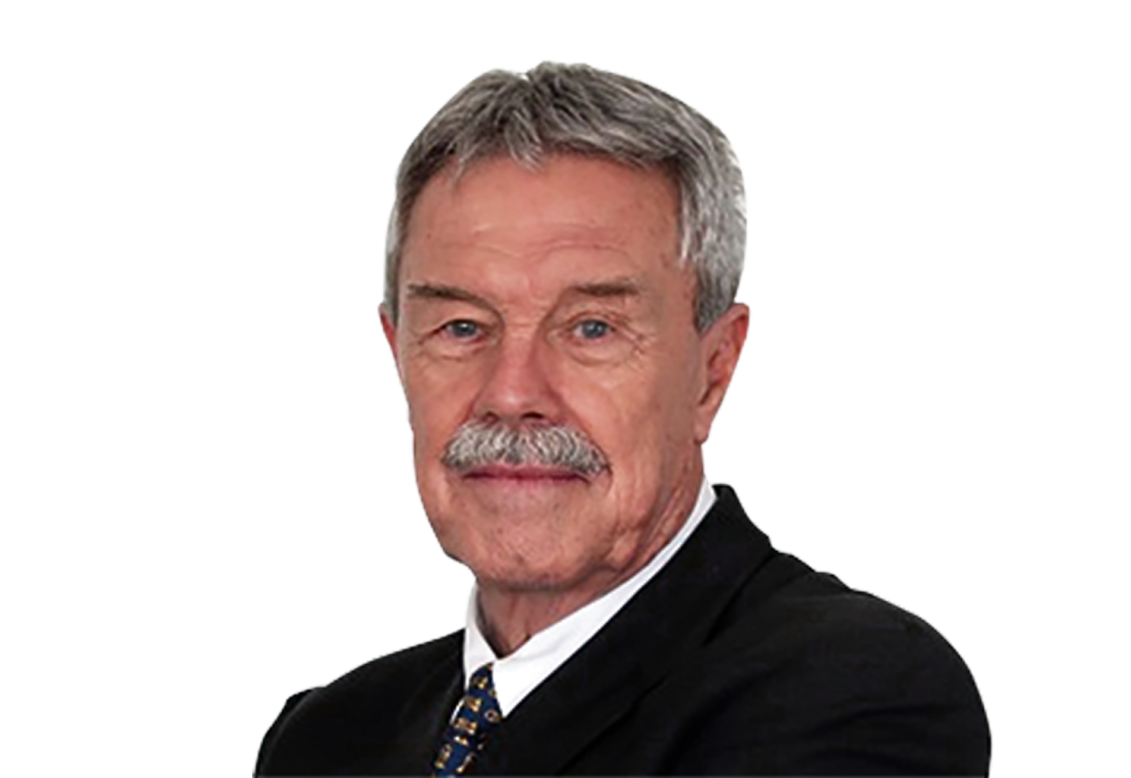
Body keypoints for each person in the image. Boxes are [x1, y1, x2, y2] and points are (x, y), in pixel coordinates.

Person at [256, 59, 991, 776]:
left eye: (592, 328)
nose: (511, 393)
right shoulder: (324, 740)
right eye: (461, 327)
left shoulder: (855, 693)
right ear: (396, 352)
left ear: (713, 369)